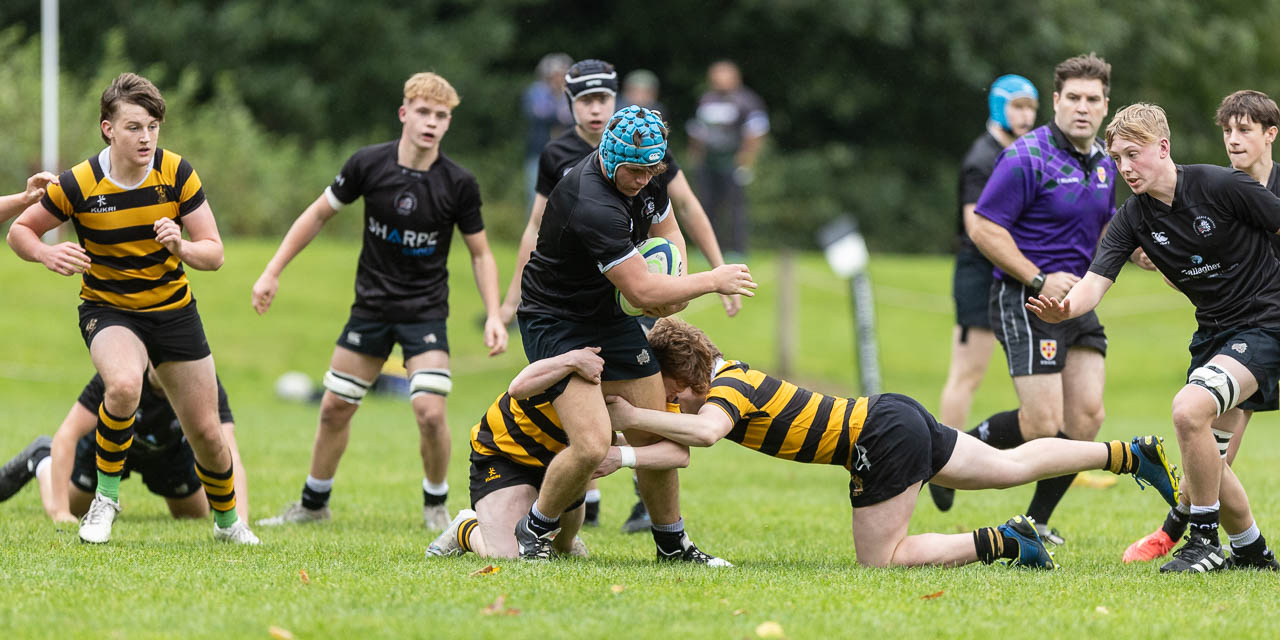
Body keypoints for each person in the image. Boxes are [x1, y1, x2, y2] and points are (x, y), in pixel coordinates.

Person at [597, 318, 1177, 568]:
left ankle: (1002, 541)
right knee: (1009, 464)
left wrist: (624, 416)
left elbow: (705, 434)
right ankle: (1131, 455)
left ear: (688, 374)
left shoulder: (728, 389)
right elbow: (689, 433)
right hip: (891, 412)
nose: (670, 403)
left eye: (671, 391)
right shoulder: (733, 373)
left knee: (881, 560)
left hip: (878, 436)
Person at [6, 72, 256, 545]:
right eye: (134, 127)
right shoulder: (79, 183)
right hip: (108, 309)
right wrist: (45, 253)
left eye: (153, 127)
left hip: (173, 310)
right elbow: (21, 231)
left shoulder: (177, 174)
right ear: (108, 128)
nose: (146, 137)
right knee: (122, 385)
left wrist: (181, 246)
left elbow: (215, 253)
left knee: (205, 432)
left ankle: (228, 523)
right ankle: (105, 503)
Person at [1029, 102, 1280, 572]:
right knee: (1210, 464)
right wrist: (1066, 309)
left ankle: (1203, 543)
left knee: (1189, 410)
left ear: (1162, 148)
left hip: (1267, 324)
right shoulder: (1133, 218)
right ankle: (1251, 551)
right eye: (1117, 159)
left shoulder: (1221, 185)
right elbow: (1095, 281)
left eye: (1133, 154)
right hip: (1214, 336)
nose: (1125, 168)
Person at [251, 72, 508, 530]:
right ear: (404, 114)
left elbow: (481, 252)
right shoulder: (368, 164)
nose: (431, 122)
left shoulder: (458, 183)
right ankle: (313, 505)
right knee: (334, 408)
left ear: (448, 123)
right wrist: (272, 271)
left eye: (441, 116)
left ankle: (436, 507)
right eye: (424, 112)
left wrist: (493, 314)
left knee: (429, 412)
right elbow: (316, 215)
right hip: (370, 308)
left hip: (424, 311)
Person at [498, 59, 740, 532]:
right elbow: (641, 288)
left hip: (606, 314)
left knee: (654, 429)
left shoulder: (648, 177)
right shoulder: (593, 201)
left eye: (652, 171)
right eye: (634, 171)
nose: (642, 180)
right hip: (557, 319)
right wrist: (711, 280)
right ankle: (535, 529)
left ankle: (672, 542)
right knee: (590, 444)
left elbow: (670, 230)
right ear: (609, 156)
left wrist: (679, 286)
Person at [945, 53, 1118, 545]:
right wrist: (1039, 278)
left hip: (1078, 302)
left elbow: (1106, 224)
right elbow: (983, 227)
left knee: (1086, 418)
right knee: (1042, 423)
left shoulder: (1107, 161)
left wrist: (1134, 252)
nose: (1082, 108)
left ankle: (1037, 522)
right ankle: (946, 451)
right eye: (1074, 98)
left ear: (1106, 105)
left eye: (1093, 99)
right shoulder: (1025, 157)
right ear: (1057, 101)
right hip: (1025, 298)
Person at [1122, 90, 1280, 564]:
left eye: (1244, 130)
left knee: (1202, 430)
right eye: (1227, 131)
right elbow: (1203, 278)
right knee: (1212, 446)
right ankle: (1226, 544)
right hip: (1239, 331)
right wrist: (1166, 262)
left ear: (1270, 135)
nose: (1233, 140)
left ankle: (1182, 532)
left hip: (1268, 325)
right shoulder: (1217, 190)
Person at [424, 347, 690, 559]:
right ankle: (465, 527)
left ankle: (559, 535)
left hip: (563, 462)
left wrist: (623, 450)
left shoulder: (658, 399)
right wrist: (571, 360)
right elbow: (518, 386)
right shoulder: (601, 368)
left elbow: (679, 454)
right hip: (508, 455)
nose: (676, 396)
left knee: (561, 550)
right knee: (509, 556)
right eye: (675, 386)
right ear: (655, 371)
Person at [930, 75, 1039, 513]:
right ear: (998, 108)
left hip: (1016, 272)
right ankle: (940, 464)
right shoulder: (983, 157)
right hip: (981, 275)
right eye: (1017, 106)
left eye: (1031, 107)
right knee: (968, 373)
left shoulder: (1022, 151)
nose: (1026, 116)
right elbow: (977, 228)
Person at [0, 367, 250, 525]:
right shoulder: (123, 375)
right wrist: (60, 512)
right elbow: (67, 434)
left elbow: (231, 454)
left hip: (167, 452)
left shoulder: (202, 381)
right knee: (71, 506)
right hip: (111, 446)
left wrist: (241, 521)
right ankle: (43, 457)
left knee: (194, 515)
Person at [686, 60, 769, 258]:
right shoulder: (706, 100)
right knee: (707, 205)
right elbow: (697, 130)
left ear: (735, 77)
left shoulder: (747, 100)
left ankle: (737, 250)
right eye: (716, 75)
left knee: (734, 208)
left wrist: (747, 160)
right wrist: (695, 156)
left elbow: (756, 131)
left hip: (732, 161)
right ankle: (709, 247)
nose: (719, 80)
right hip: (709, 162)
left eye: (724, 75)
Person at [521, 53, 574, 204]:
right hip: (540, 151)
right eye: (555, 74)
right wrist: (559, 114)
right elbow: (538, 114)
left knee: (568, 197)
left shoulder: (572, 93)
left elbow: (573, 117)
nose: (559, 79)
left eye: (563, 74)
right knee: (537, 198)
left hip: (569, 152)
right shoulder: (535, 91)